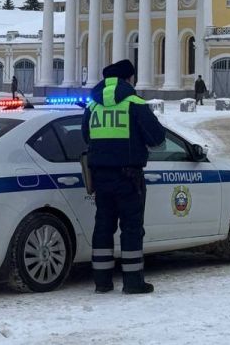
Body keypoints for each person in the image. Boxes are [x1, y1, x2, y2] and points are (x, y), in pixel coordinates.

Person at [82, 59, 166, 295]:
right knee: (131, 228)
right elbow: (157, 137)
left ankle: (102, 281)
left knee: (103, 226)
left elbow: (85, 136)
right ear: (128, 79)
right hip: (129, 176)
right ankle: (133, 282)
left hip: (100, 176)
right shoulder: (134, 103)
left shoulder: (93, 106)